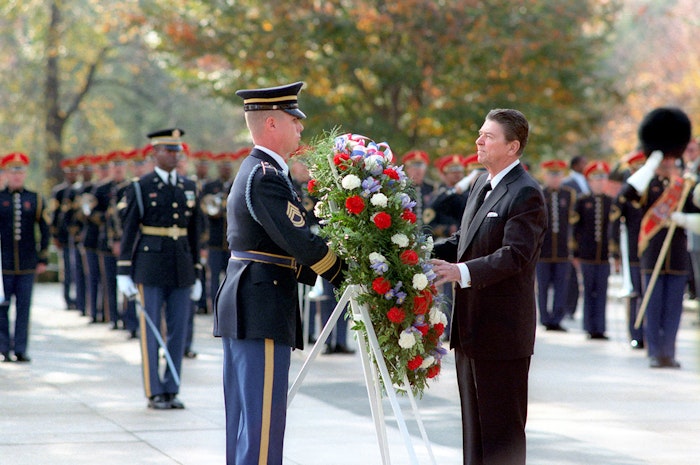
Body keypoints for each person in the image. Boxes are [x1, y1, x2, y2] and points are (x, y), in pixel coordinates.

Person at [213, 81, 345, 465]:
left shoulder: (259, 170)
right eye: (294, 119)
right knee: (262, 421)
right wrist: (346, 271)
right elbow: (299, 241)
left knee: (247, 419)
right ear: (272, 124)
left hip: (252, 298)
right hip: (262, 301)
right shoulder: (267, 175)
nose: (300, 128)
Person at [431, 109, 547, 465]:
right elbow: (464, 239)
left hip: (502, 334)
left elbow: (515, 256)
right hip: (470, 330)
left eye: (488, 136)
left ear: (512, 147)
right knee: (475, 434)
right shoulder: (483, 183)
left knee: (502, 436)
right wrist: (416, 250)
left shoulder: (526, 194)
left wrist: (459, 271)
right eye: (480, 134)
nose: (479, 141)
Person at [117, 128, 203, 409]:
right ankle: (154, 390)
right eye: (168, 150)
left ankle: (171, 387)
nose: (174, 155)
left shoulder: (189, 186)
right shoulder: (140, 187)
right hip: (150, 265)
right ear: (155, 153)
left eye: (177, 150)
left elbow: (194, 232)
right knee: (151, 329)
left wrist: (198, 272)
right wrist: (122, 272)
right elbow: (129, 231)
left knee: (178, 330)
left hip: (181, 266)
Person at [621, 107, 694, 368]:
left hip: (676, 255)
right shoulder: (646, 185)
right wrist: (650, 164)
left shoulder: (684, 187)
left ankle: (669, 352)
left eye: (669, 161)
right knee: (652, 305)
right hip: (652, 253)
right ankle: (654, 351)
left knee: (673, 307)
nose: (667, 165)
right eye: (663, 162)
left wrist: (683, 219)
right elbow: (626, 195)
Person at [0, 152, 50, 362]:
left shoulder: (35, 199)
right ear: (6, 173)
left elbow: (45, 229)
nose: (17, 175)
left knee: (24, 307)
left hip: (28, 263)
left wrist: (43, 257)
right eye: (13, 171)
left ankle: (20, 348)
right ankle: (3, 348)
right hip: (3, 263)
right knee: (2, 308)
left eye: (20, 171)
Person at [570, 160, 613, 340]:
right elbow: (575, 228)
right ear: (589, 181)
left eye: (603, 178)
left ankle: (600, 328)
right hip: (586, 254)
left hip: (603, 255)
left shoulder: (611, 202)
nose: (600, 182)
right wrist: (575, 252)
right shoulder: (582, 201)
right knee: (588, 291)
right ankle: (589, 326)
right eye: (596, 179)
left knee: (602, 291)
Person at [610, 150, 646, 349]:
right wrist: (615, 253)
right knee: (634, 294)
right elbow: (614, 224)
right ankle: (636, 333)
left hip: (651, 251)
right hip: (632, 252)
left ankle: (649, 332)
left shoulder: (653, 190)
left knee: (649, 293)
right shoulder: (625, 195)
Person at [536, 159, 576, 331]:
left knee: (561, 286)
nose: (555, 178)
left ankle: (557, 318)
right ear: (545, 175)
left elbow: (574, 222)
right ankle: (544, 318)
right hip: (542, 250)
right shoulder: (539, 193)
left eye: (558, 175)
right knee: (542, 286)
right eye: (552, 175)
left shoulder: (568, 194)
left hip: (562, 250)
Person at [49, 157, 79, 310]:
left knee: (77, 270)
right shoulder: (59, 191)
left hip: (78, 236)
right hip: (65, 236)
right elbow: (54, 215)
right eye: (70, 171)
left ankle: (79, 299)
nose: (72, 174)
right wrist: (54, 235)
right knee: (66, 269)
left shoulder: (80, 190)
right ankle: (67, 298)